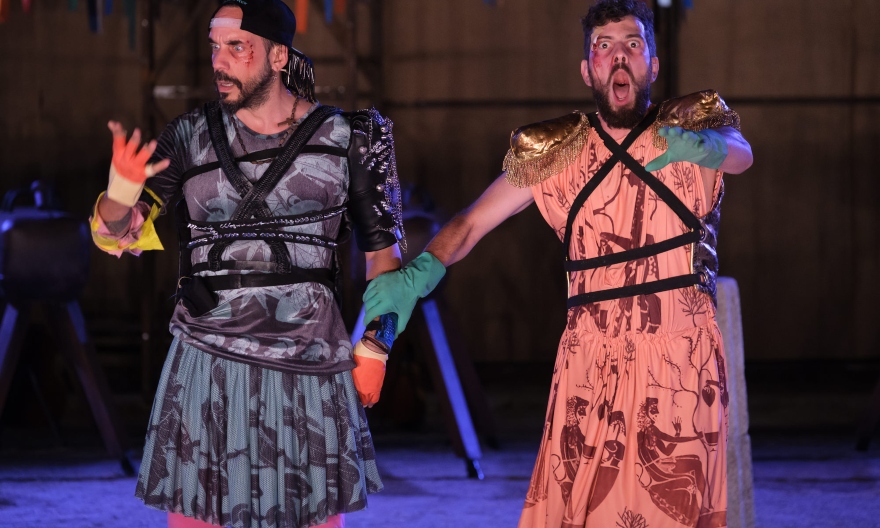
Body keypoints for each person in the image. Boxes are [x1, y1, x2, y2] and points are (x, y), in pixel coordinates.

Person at [363, 0, 753, 526]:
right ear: (588, 69)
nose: (619, 57)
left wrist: (704, 147)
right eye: (604, 47)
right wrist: (418, 275)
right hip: (589, 361)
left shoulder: (692, 128)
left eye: (633, 45)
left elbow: (740, 152)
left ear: (653, 64)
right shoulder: (557, 152)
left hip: (680, 359)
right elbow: (473, 222)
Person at [89, 0, 404, 526]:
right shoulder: (188, 136)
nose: (219, 60)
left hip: (308, 355)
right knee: (199, 513)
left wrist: (377, 344)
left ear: (278, 55)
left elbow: (385, 260)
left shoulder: (352, 136)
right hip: (208, 353)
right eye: (215, 47)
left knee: (309, 514)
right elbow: (115, 233)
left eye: (237, 47)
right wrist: (120, 194)